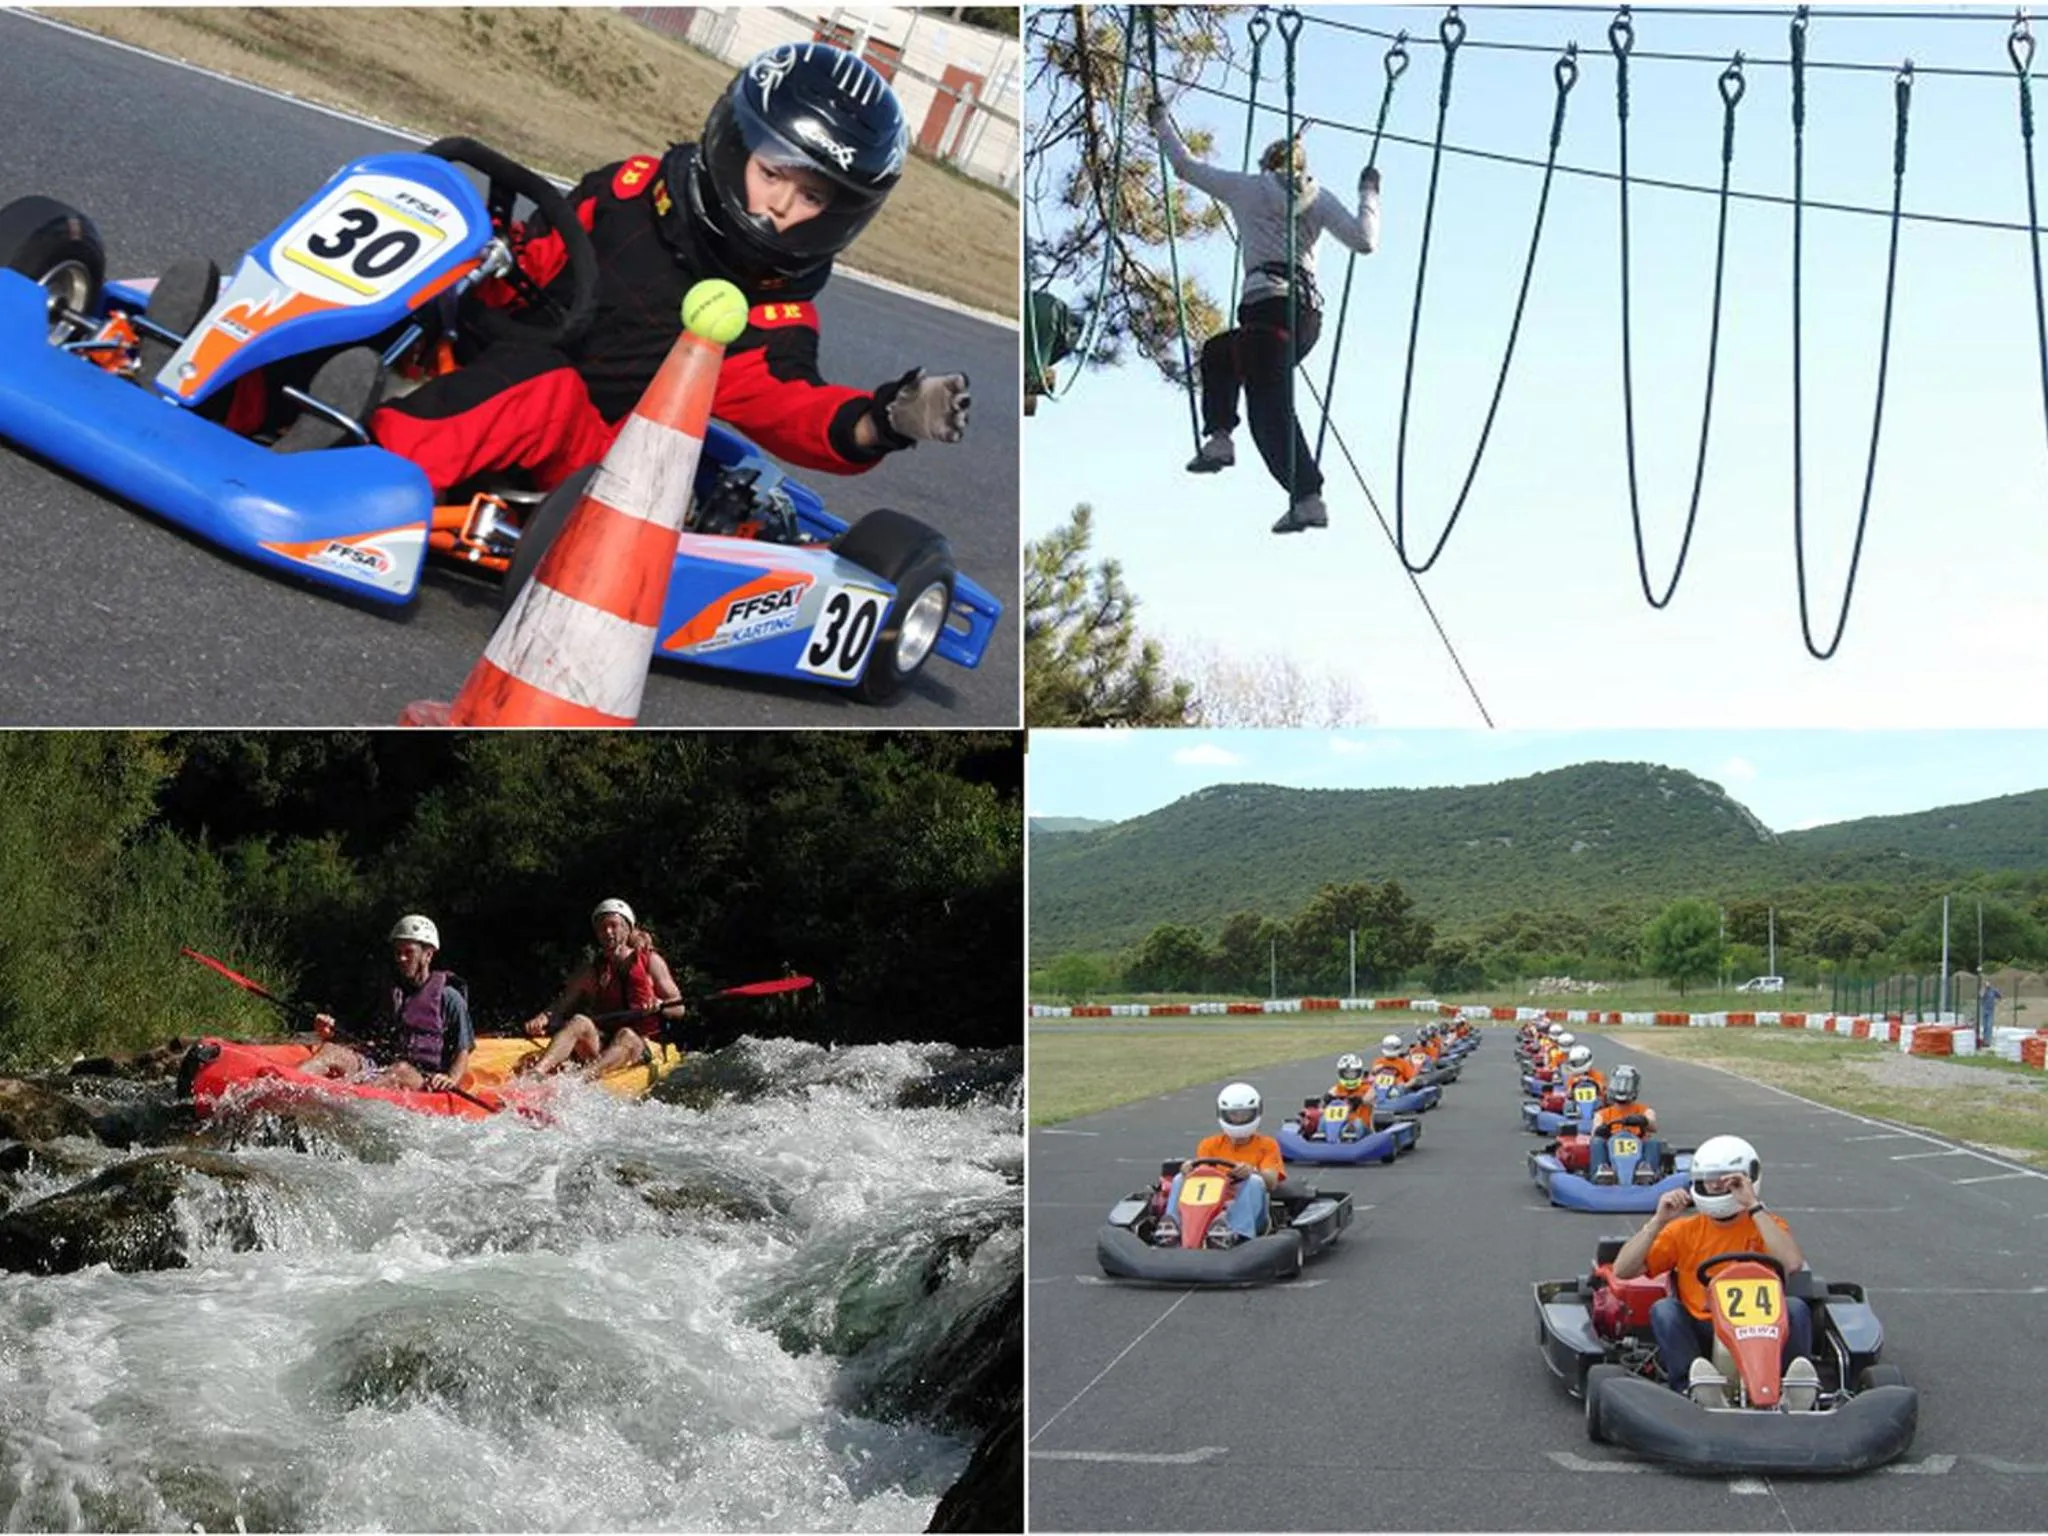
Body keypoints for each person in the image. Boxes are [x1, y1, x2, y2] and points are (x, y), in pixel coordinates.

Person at [271, 43, 971, 489]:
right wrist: (484, 256)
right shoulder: (632, 188)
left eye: (813, 195)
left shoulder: (766, 315)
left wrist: (880, 421)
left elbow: (794, 406)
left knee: (541, 387)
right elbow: (544, 253)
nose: (783, 205)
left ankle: (353, 460)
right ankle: (231, 374)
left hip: (586, 445)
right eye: (773, 173)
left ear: (843, 213)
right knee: (410, 292)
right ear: (736, 145)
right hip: (483, 351)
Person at [1146, 101, 1381, 534]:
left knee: (1268, 409)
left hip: (1266, 309)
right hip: (1306, 319)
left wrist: (1161, 122)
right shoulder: (1321, 198)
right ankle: (1225, 443)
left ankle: (1302, 493)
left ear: (1264, 164)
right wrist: (1369, 191)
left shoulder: (1247, 188)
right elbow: (1365, 242)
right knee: (1220, 352)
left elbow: (1185, 165)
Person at [1610, 1135, 1819, 1409]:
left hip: (1764, 1327)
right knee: (1665, 1310)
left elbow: (1792, 1263)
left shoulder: (1766, 1225)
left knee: (1795, 1307)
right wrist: (1658, 1220)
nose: (1716, 1185)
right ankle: (1692, 1389)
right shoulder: (1682, 1230)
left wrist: (1753, 1206)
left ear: (1748, 1179)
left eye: (1728, 1179)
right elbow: (1623, 1270)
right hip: (1703, 1326)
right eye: (1710, 1179)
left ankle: (1791, 1390)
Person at [301, 915, 475, 1093]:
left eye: (408, 952)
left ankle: (346, 1099)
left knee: (400, 1071)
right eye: (398, 952)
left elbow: (463, 1049)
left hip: (422, 1076)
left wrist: (450, 1079)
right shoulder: (387, 991)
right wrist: (330, 1030)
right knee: (331, 1051)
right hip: (378, 1064)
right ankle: (287, 1086)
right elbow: (356, 1031)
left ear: (428, 954)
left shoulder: (449, 997)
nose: (401, 958)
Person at [520, 899, 685, 1078]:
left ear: (627, 928)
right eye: (601, 928)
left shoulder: (650, 962)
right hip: (603, 1042)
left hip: (641, 1043)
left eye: (614, 926)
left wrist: (660, 1005)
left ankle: (580, 1080)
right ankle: (536, 1073)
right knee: (578, 1020)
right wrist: (543, 1018)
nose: (607, 932)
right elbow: (561, 1006)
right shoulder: (592, 971)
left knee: (626, 1034)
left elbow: (679, 1008)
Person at [1156, 1082, 1286, 1248]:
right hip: (1212, 1208)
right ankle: (1173, 1229)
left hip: (1248, 1209)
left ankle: (1238, 1234)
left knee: (1254, 1182)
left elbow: (1272, 1181)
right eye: (1233, 1115)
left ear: (1255, 1113)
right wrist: (1189, 1169)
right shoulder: (1209, 1145)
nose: (1238, 1119)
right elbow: (1200, 1180)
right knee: (1180, 1179)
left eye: (1243, 1115)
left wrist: (1252, 1171)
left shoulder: (1267, 1145)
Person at [1979, 978, 2003, 1049]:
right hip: (1984, 1010)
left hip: (1990, 1010)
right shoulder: (1983, 990)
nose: (1987, 984)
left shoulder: (1993, 990)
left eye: (1988, 982)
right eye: (1986, 983)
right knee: (1985, 1026)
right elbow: (1981, 996)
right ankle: (1984, 1040)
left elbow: (2000, 996)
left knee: (1989, 1026)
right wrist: (1984, 990)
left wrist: (1997, 1002)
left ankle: (1988, 1042)